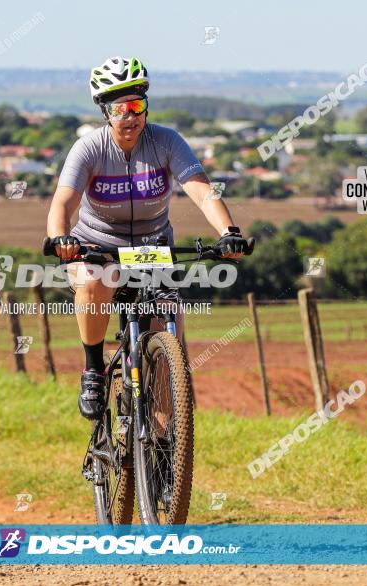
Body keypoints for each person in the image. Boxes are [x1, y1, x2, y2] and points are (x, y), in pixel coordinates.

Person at [45, 56, 250, 420]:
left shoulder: (167, 142)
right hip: (97, 248)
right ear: (105, 112)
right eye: (119, 108)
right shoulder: (90, 148)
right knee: (95, 283)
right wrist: (61, 238)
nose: (130, 117)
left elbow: (202, 191)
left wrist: (228, 233)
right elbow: (63, 201)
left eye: (137, 106)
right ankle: (93, 370)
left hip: (153, 249)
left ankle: (167, 444)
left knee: (169, 332)